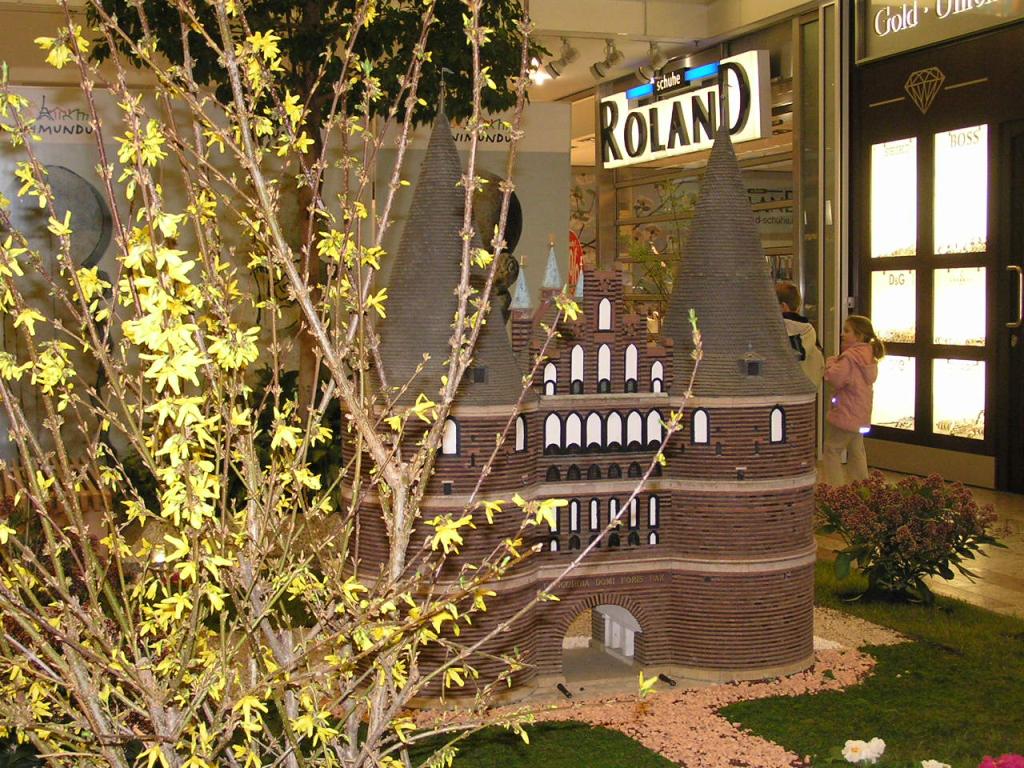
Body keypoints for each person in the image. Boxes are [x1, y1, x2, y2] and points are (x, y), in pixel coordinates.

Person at [822, 315, 885, 485]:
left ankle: (835, 489)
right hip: (861, 413)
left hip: (846, 412)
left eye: (847, 331)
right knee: (857, 451)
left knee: (831, 450)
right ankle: (862, 487)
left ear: (858, 335)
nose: (842, 334)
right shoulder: (869, 356)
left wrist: (830, 362)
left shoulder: (850, 357)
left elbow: (834, 378)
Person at [775, 282, 825, 384]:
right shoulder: (810, 333)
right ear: (798, 307)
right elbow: (820, 366)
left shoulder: (774, 331)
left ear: (782, 306)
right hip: (806, 390)